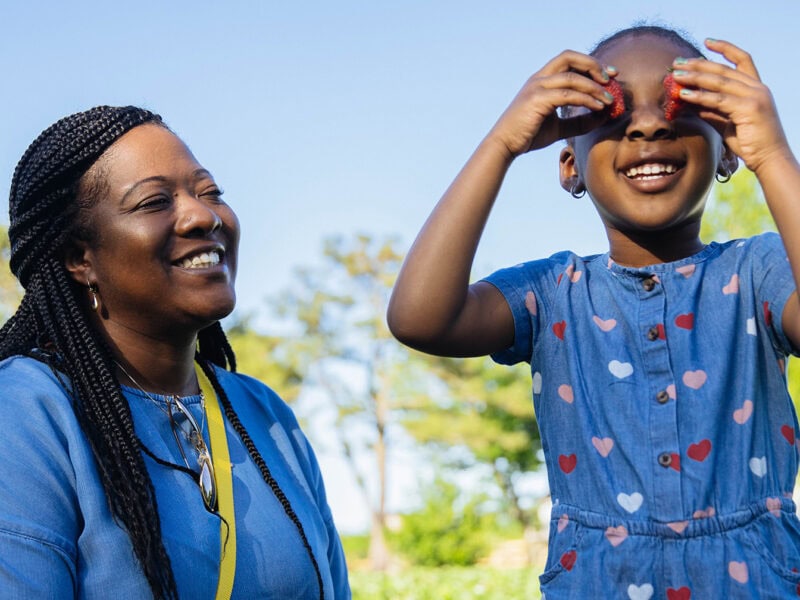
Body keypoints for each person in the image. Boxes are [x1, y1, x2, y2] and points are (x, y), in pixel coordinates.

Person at [387, 24, 800, 598]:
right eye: (612, 111)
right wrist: (501, 143)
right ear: (569, 167)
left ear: (727, 148)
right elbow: (419, 319)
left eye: (679, 103)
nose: (649, 123)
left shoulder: (760, 272)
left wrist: (774, 154)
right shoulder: (552, 291)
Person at [0, 106, 350, 599]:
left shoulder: (265, 413)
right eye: (154, 202)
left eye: (210, 194)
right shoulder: (26, 412)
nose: (203, 215)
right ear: (79, 258)